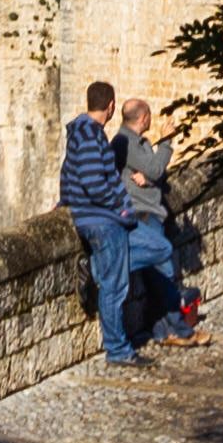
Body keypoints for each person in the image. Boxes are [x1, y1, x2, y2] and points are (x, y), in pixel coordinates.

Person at [60, 79, 148, 365]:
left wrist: (66, 201)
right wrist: (119, 208)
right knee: (115, 287)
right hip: (103, 221)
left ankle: (94, 268)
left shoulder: (84, 132)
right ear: (111, 106)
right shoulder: (89, 135)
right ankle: (118, 349)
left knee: (151, 251)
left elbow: (69, 172)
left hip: (96, 217)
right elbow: (93, 182)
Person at [114, 97, 190, 346]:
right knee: (164, 273)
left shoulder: (138, 142)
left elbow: (155, 173)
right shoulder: (127, 143)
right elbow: (157, 168)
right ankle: (180, 329)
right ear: (144, 117)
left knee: (156, 277)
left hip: (150, 213)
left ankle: (161, 332)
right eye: (150, 115)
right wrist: (166, 141)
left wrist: (148, 179)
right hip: (143, 215)